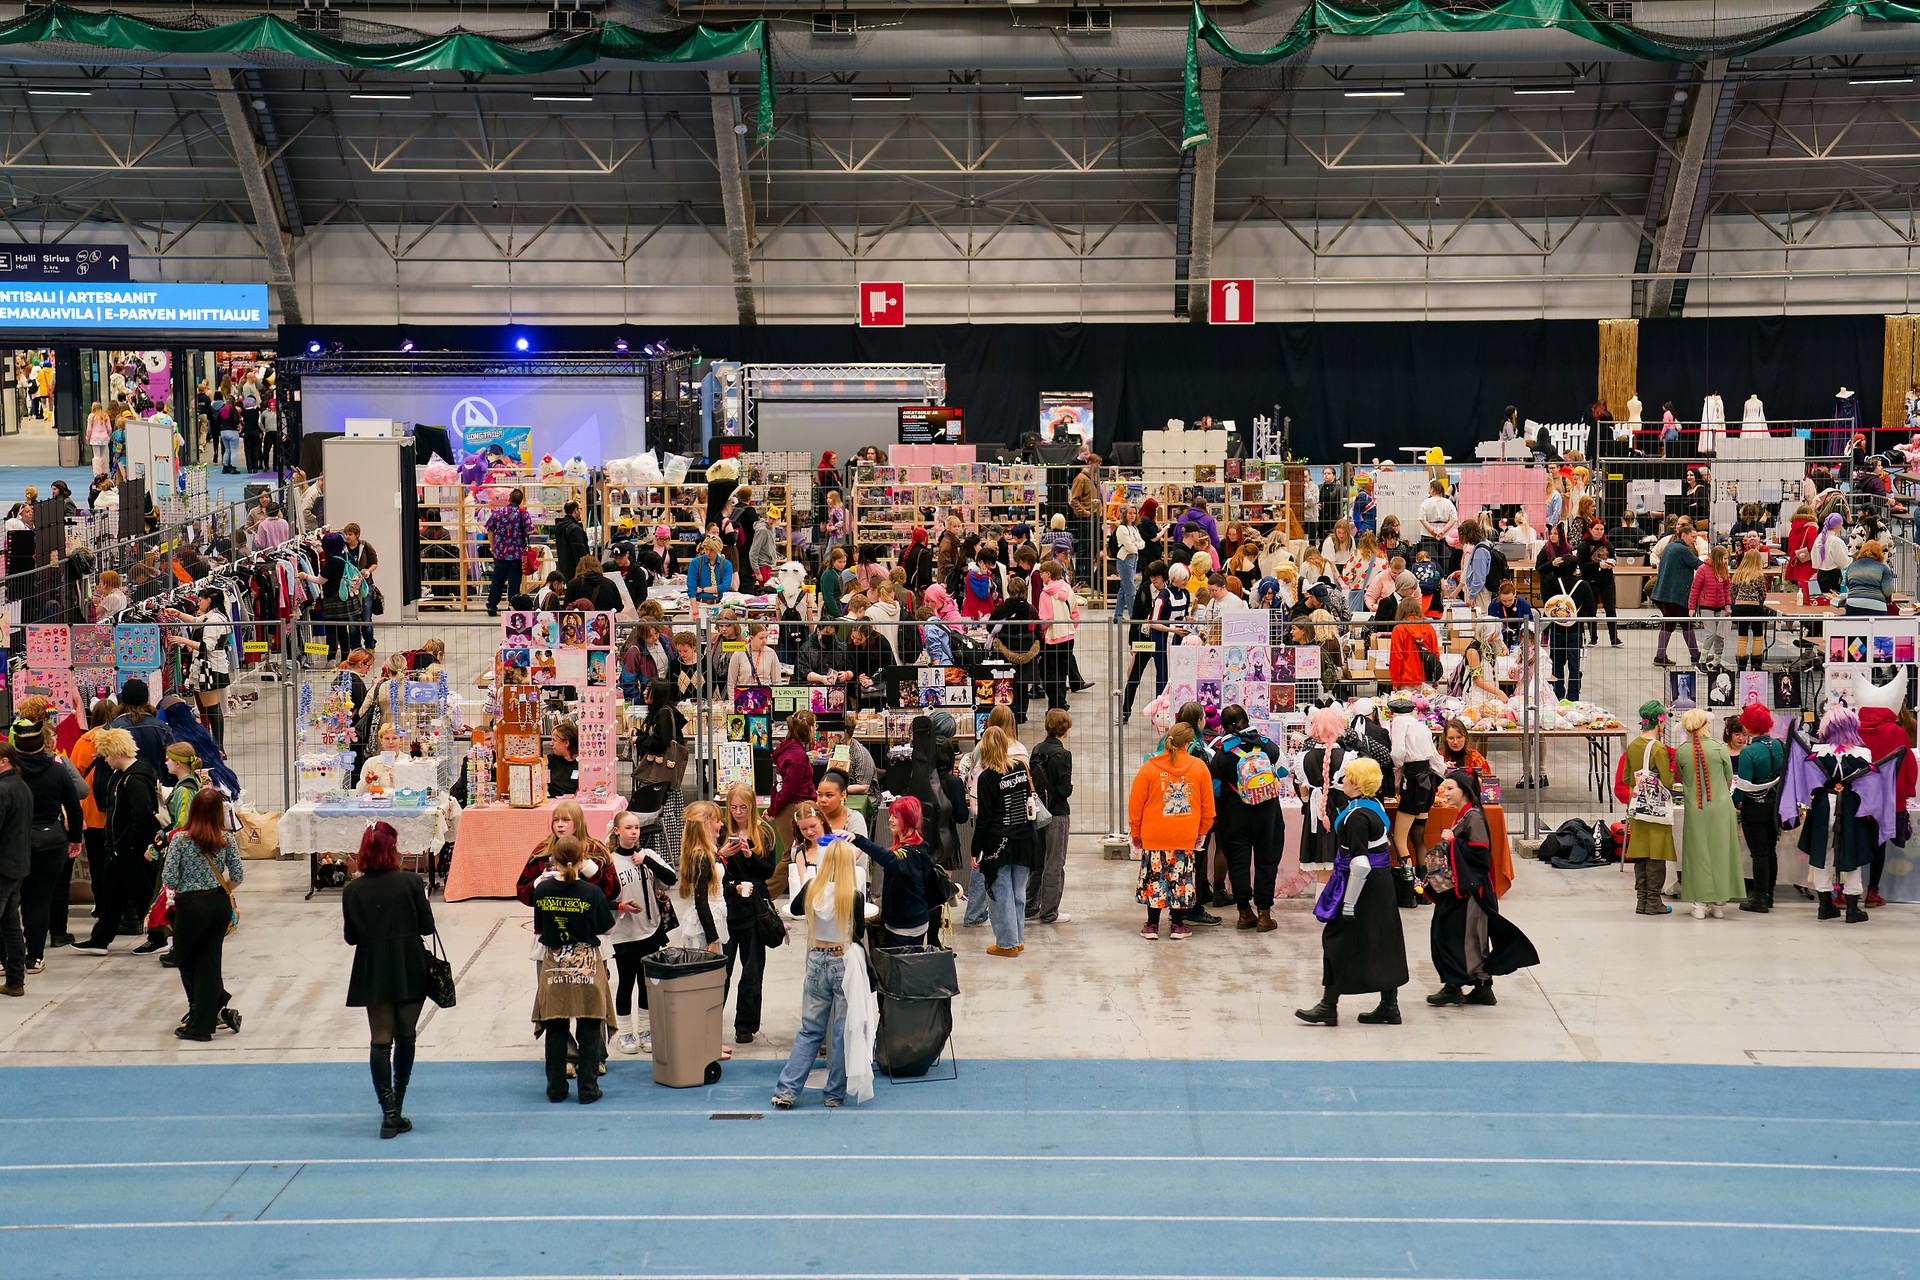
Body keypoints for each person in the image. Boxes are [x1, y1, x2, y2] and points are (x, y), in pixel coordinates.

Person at [1296, 758, 1408, 1027]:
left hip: (1362, 885)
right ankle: (1389, 1006)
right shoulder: (1374, 805)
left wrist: (1348, 903)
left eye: (1347, 776)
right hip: (1380, 884)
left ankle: (1329, 1005)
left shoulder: (1356, 816)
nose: (1342, 780)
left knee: (1335, 940)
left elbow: (1359, 862)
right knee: (1383, 940)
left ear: (1357, 784)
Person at [342, 821, 435, 1138]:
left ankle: (388, 1113)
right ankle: (398, 1103)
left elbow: (351, 937)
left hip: (373, 967)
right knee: (406, 1036)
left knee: (380, 1040)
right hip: (409, 963)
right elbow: (426, 927)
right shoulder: (411, 882)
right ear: (392, 850)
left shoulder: (352, 891)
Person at [770, 835, 873, 1110]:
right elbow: (858, 931)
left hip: (816, 959)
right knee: (841, 1032)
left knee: (810, 1030)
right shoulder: (853, 895)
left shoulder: (811, 888)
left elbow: (794, 909)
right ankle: (834, 1094)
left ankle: (787, 1090)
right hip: (842, 961)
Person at [1421, 769, 1537, 1007]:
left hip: (1470, 891)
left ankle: (1454, 986)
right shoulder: (1466, 815)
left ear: (1465, 790)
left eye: (1450, 788)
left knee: (1458, 935)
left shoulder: (1472, 817)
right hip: (1466, 889)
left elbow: (1480, 854)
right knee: (1467, 936)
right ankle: (1481, 988)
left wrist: (1452, 841)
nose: (1445, 793)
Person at [529, 838, 616, 1103]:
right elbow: (607, 929)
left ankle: (556, 1089)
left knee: (556, 1026)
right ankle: (588, 1089)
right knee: (589, 1024)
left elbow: (540, 928)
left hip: (554, 967)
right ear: (582, 860)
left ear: (553, 859)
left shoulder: (542, 890)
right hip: (586, 965)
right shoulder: (592, 892)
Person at [161, 788, 244, 1041]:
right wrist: (220, 888)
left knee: (186, 959)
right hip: (218, 903)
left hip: (190, 906)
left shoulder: (180, 840)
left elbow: (169, 878)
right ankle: (215, 1008)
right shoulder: (226, 839)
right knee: (209, 960)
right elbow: (238, 876)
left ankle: (201, 1021)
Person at [74, 727, 157, 956]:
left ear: (118, 753)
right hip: (119, 850)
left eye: (106, 755)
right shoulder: (123, 776)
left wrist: (128, 845)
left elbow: (142, 816)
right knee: (112, 895)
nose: (105, 760)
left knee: (143, 895)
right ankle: (100, 939)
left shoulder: (134, 779)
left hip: (131, 851)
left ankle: (159, 937)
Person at [1130, 722, 1215, 941]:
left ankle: (1152, 924)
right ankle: (1178, 924)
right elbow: (1208, 806)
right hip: (1186, 835)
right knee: (1181, 879)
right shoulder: (1199, 767)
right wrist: (1202, 831)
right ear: (1189, 743)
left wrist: (1135, 831)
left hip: (1154, 835)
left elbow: (1136, 804)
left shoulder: (1150, 767)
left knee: (1155, 879)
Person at [604, 810, 678, 1055]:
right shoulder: (610, 861)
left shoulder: (648, 855)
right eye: (628, 828)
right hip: (625, 933)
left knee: (647, 983)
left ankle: (646, 1030)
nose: (634, 832)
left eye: (636, 827)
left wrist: (647, 861)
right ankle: (624, 1033)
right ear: (617, 831)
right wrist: (620, 906)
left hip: (650, 929)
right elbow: (600, 898)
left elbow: (671, 878)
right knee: (626, 982)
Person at [13, 718, 81, 975]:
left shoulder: (10, 773)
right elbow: (74, 807)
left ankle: (6, 958)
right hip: (50, 841)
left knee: (9, 902)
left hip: (13, 843)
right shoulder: (57, 770)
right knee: (40, 902)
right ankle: (35, 957)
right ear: (43, 743)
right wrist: (75, 838)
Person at [1208, 705, 1285, 932]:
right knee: (1266, 860)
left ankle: (1244, 913)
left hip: (1235, 815)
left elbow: (1215, 790)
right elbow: (1283, 771)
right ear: (1247, 720)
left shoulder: (1221, 753)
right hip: (1267, 812)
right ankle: (1264, 915)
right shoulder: (1267, 745)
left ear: (1222, 726)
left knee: (1238, 862)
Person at [970, 725, 1037, 957]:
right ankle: (1017, 938)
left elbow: (984, 818)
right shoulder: (1020, 768)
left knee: (1001, 893)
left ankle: (1007, 943)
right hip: (1024, 838)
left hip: (998, 843)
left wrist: (975, 849)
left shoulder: (987, 777)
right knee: (1018, 892)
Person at [1675, 707, 1742, 919]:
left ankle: (1699, 904)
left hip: (1695, 809)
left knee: (1697, 854)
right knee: (1721, 852)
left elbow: (1683, 780)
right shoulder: (1719, 748)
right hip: (1721, 807)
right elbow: (1729, 779)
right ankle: (1719, 904)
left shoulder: (1681, 751)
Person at [1385, 693, 1441, 907]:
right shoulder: (1422, 725)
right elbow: (1435, 756)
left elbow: (1398, 752)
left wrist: (1396, 767)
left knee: (1400, 838)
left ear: (1394, 712)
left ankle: (1409, 892)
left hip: (1413, 778)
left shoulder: (1400, 722)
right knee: (1418, 836)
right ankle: (1424, 892)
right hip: (1427, 779)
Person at [1620, 701, 1677, 915]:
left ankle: (1642, 901)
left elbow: (1627, 778)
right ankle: (1654, 902)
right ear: (1660, 722)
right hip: (1656, 810)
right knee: (1656, 853)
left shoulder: (1633, 745)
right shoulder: (1658, 748)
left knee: (1641, 852)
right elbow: (1667, 781)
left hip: (1637, 807)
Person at [1732, 703, 1786, 914]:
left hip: (1754, 808)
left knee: (1759, 854)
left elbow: (1743, 786)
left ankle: (1760, 897)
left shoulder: (1748, 752)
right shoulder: (1779, 745)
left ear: (1747, 726)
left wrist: (1731, 802)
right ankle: (1769, 894)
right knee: (1771, 851)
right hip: (1775, 805)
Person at [1026, 709, 1074, 926]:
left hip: (1038, 810)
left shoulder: (1037, 749)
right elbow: (1064, 789)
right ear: (1065, 728)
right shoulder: (1063, 755)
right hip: (1057, 813)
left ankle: (1030, 906)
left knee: (1038, 860)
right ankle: (1049, 911)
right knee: (1055, 861)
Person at [1651, 516, 1702, 667]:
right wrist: (1715, 564)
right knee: (1687, 624)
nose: (1694, 540)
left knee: (1668, 624)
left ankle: (1660, 656)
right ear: (1684, 535)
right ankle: (1695, 655)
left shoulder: (1670, 546)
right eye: (1693, 537)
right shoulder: (1683, 549)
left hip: (1665, 593)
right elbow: (1697, 564)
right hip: (1678, 594)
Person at [0, 741, 27, 997]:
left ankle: (15, 980)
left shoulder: (3, 789)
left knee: (10, 924)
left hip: (3, 866)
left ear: (4, 761)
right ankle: (15, 981)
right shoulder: (20, 786)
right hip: (17, 863)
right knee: (10, 925)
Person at [483, 489, 535, 616]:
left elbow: (489, 529)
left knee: (497, 580)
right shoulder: (523, 514)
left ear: (509, 498)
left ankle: (492, 605)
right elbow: (530, 531)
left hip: (500, 553)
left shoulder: (498, 513)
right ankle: (512, 606)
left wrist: (493, 546)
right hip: (517, 554)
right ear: (521, 501)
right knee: (514, 582)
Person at [1688, 544, 1733, 667]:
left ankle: (1717, 662)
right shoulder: (1702, 569)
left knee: (1720, 636)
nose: (1726, 561)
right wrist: (1691, 607)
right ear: (1717, 557)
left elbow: (1726, 589)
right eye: (1724, 558)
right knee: (1711, 634)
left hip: (1720, 606)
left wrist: (1728, 605)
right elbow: (1695, 589)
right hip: (1706, 606)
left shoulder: (1724, 570)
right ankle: (1702, 661)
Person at [1388, 596, 1438, 689]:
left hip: (1406, 680)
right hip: (1426, 680)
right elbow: (1435, 653)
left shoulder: (1399, 629)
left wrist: (1395, 681)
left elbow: (1396, 657)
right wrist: (1435, 677)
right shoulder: (1429, 628)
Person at [1843, 539, 1895, 616]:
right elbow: (1888, 591)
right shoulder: (1883, 568)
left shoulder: (1852, 566)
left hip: (1853, 604)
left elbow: (1848, 584)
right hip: (1877, 605)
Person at [552, 501, 590, 582]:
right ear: (575, 510)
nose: (580, 512)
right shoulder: (574, 528)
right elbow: (579, 551)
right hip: (576, 571)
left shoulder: (560, 526)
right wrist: (584, 569)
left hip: (564, 567)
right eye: (580, 509)